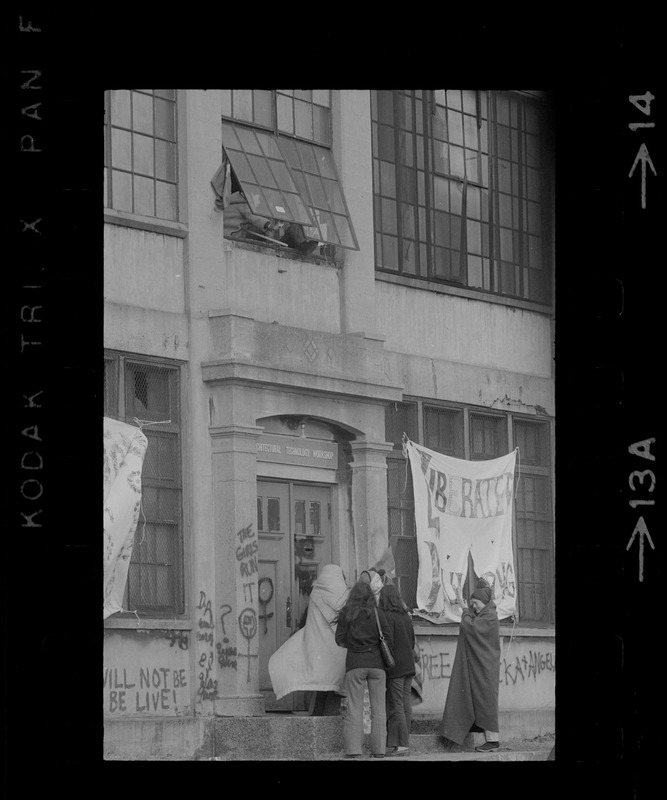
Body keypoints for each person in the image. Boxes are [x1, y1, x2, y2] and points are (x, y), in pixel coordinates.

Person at [268, 565, 349, 712]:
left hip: (317, 647)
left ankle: (315, 717)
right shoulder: (343, 594)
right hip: (336, 649)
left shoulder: (315, 593)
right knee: (334, 686)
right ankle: (329, 721)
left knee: (318, 684)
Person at [439, 579, 501, 752]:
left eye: (476, 603)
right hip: (486, 666)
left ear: (484, 602)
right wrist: (463, 606)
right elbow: (474, 623)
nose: (474, 607)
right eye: (473, 604)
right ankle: (484, 731)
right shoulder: (487, 615)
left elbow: (471, 627)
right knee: (482, 698)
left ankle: (493, 740)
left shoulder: (489, 616)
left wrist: (465, 610)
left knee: (486, 700)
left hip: (487, 668)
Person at [335, 581, 393, 758]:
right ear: (370, 595)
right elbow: (388, 638)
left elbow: (339, 639)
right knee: (378, 710)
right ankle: (379, 751)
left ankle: (353, 751)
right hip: (377, 665)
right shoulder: (378, 613)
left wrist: (355, 646)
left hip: (355, 663)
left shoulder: (347, 613)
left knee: (354, 708)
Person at [378, 582, 416, 757]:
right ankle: (402, 742)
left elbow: (388, 643)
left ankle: (400, 744)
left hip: (396, 667)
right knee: (405, 702)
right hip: (409, 666)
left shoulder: (386, 616)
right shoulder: (405, 616)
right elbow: (412, 641)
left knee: (396, 704)